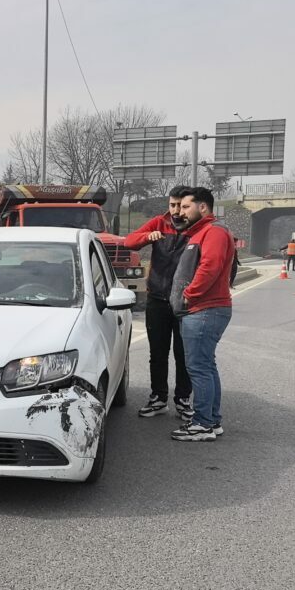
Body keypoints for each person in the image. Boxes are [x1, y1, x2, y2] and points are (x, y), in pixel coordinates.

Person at [169, 187, 236, 442]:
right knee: (206, 366)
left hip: (205, 309)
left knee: (198, 367)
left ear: (203, 208)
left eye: (186, 207)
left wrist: (190, 294)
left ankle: (203, 424)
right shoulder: (202, 232)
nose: (180, 212)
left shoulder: (214, 232)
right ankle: (212, 420)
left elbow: (211, 265)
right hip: (203, 308)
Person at [123, 186, 194, 421]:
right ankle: (158, 398)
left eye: (181, 206)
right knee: (158, 353)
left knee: (183, 355)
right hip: (157, 299)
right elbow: (129, 242)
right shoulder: (158, 222)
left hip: (185, 303)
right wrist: (147, 237)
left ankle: (183, 400)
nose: (176, 210)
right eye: (172, 205)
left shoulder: (198, 228)